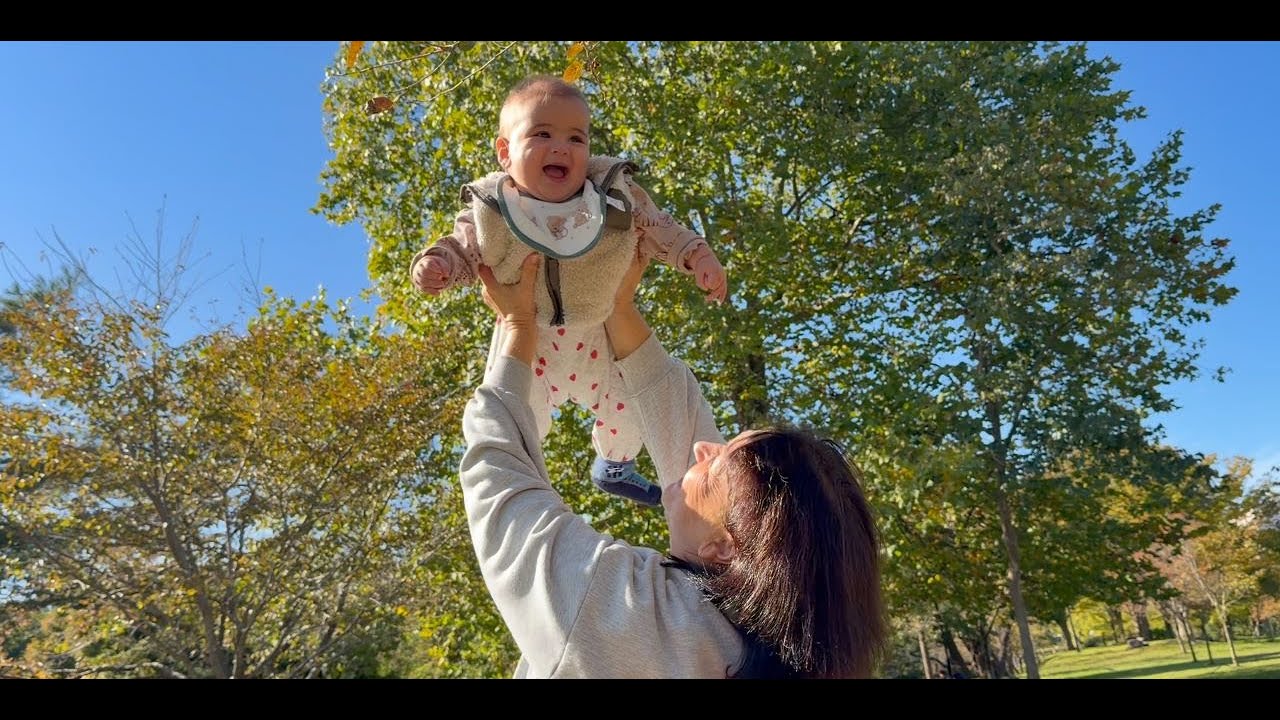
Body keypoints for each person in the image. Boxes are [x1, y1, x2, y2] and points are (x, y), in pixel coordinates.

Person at [460, 249, 886, 678]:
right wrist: (618, 306)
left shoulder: (623, 616)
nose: (705, 449)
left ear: (724, 548)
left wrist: (516, 327)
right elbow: (680, 419)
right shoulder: (759, 637)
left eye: (717, 464)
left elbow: (499, 479)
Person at [411, 74, 726, 507]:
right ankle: (526, 491)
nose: (561, 147)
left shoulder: (614, 197)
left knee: (629, 407)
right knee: (514, 416)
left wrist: (697, 255)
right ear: (505, 152)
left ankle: (613, 466)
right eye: (542, 134)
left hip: (598, 331)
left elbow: (659, 229)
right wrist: (437, 266)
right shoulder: (492, 209)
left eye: (576, 138)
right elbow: (462, 249)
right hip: (529, 342)